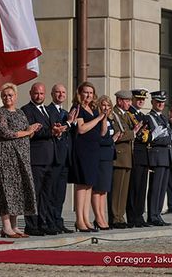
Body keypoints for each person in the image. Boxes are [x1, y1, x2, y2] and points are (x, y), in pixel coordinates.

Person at [0, 83, 39, 238]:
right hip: (4, 156)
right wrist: (27, 131)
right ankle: (5, 227)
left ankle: (14, 226)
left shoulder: (20, 113)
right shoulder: (0, 113)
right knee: (5, 190)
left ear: (16, 97)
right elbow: (6, 133)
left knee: (18, 190)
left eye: (10, 95)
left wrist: (32, 130)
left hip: (20, 156)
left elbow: (26, 132)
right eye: (4, 95)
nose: (7, 98)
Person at [21, 82, 60, 236]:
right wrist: (52, 131)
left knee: (46, 194)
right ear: (31, 93)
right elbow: (33, 131)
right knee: (34, 193)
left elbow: (51, 129)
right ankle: (31, 224)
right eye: (36, 93)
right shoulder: (26, 110)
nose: (39, 96)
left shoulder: (48, 110)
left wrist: (58, 129)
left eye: (42, 94)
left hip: (50, 157)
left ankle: (42, 222)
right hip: (36, 158)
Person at [69, 81, 105, 232]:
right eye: (86, 92)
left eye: (91, 93)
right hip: (82, 150)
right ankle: (79, 220)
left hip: (94, 150)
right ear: (80, 93)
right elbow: (82, 129)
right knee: (81, 184)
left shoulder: (93, 109)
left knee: (89, 184)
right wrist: (97, 119)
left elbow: (102, 132)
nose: (89, 95)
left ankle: (86, 218)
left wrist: (104, 118)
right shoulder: (77, 108)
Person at [47, 83, 77, 234]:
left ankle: (58, 220)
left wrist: (72, 122)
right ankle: (50, 221)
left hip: (65, 158)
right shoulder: (48, 111)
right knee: (51, 193)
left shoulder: (66, 112)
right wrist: (69, 123)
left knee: (60, 194)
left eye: (63, 92)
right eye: (57, 92)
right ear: (52, 94)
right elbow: (56, 130)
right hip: (54, 157)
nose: (60, 95)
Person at [108, 90, 138, 229]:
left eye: (130, 101)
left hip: (126, 157)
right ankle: (115, 217)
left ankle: (120, 216)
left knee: (123, 191)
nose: (129, 103)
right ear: (119, 100)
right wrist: (134, 133)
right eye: (127, 101)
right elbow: (117, 133)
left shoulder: (126, 115)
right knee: (117, 190)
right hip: (119, 156)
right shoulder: (114, 114)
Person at [91, 95, 118, 231]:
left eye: (108, 106)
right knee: (97, 189)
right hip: (100, 157)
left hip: (108, 157)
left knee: (104, 190)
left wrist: (113, 139)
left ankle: (102, 216)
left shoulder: (110, 120)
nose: (106, 108)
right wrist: (112, 140)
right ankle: (98, 217)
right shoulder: (98, 119)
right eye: (103, 105)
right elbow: (101, 138)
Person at [146, 91, 172, 226]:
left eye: (162, 102)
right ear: (152, 102)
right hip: (157, 155)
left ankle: (157, 214)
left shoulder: (163, 118)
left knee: (162, 188)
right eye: (158, 102)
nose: (161, 104)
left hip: (166, 155)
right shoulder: (149, 118)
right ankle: (152, 215)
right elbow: (153, 138)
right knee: (155, 187)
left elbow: (168, 136)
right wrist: (163, 138)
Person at [126, 88, 151, 227]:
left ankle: (139, 215)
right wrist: (143, 136)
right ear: (133, 99)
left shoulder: (143, 116)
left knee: (142, 187)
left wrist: (147, 136)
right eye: (138, 99)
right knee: (133, 187)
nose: (141, 101)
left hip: (144, 155)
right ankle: (132, 216)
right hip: (135, 154)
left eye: (143, 99)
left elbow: (150, 134)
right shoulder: (130, 114)